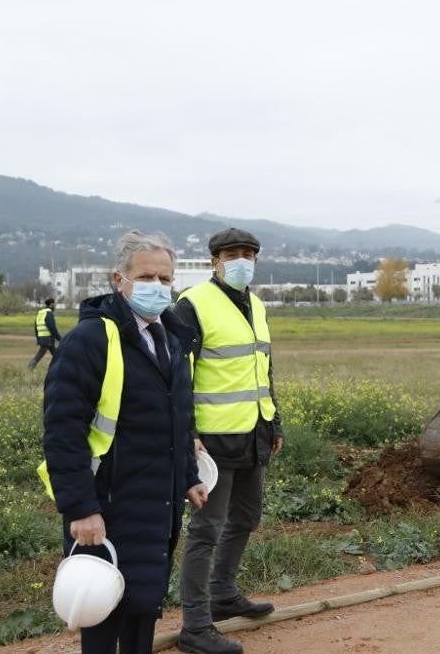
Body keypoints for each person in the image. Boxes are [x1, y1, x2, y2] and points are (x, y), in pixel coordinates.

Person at [42, 230, 210, 654]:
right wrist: (81, 508)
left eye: (165, 279)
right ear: (119, 280)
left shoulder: (173, 339)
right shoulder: (91, 340)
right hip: (109, 504)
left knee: (143, 606)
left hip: (158, 504)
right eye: (147, 277)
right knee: (103, 612)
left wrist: (189, 476)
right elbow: (63, 430)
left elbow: (178, 419)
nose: (157, 287)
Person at [174, 228, 284, 654]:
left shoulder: (256, 304)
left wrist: (274, 422)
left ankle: (222, 594)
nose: (242, 260)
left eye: (249, 254)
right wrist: (189, 435)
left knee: (246, 519)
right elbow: (178, 376)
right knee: (206, 531)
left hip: (254, 432)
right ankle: (195, 627)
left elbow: (263, 370)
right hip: (213, 441)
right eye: (232, 254)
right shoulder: (192, 305)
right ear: (214, 262)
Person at [27, 298, 62, 370]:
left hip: (44, 337)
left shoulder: (41, 313)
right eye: (55, 304)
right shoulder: (49, 313)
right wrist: (59, 338)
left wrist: (38, 339)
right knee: (41, 353)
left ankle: (60, 368)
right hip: (47, 338)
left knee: (55, 354)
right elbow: (52, 327)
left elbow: (36, 327)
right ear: (51, 304)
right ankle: (29, 368)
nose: (55, 306)